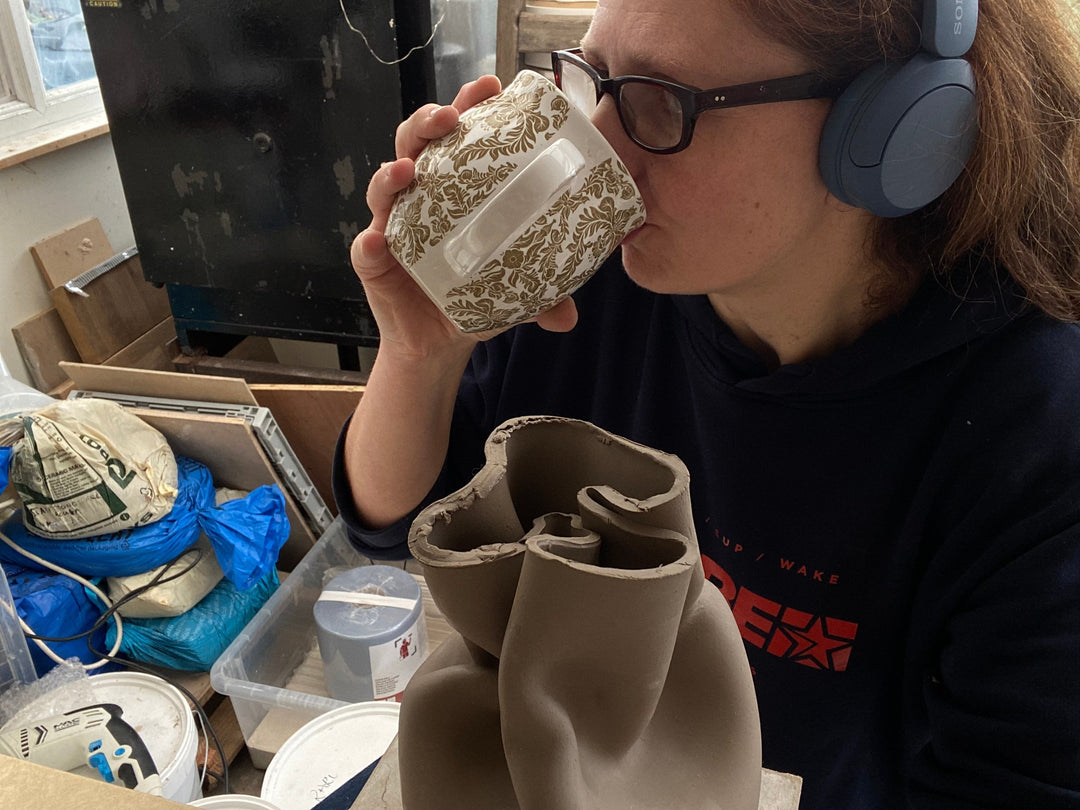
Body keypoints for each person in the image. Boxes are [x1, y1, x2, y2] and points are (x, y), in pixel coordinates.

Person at [333, 0, 1080, 806]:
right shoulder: (600, 271)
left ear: (888, 131)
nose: (598, 152)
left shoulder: (1037, 432)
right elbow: (395, 523)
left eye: (661, 101)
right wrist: (422, 351)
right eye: (593, 81)